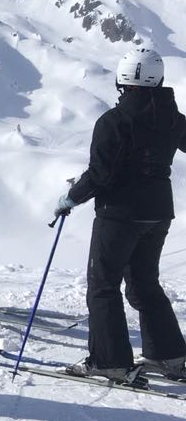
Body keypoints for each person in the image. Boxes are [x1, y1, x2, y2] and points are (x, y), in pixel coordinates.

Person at [56, 47, 186, 382]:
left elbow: (100, 175)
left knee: (103, 285)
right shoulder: (173, 117)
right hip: (158, 212)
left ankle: (110, 361)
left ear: (122, 78)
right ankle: (169, 355)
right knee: (144, 282)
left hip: (119, 214)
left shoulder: (114, 121)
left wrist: (70, 198)